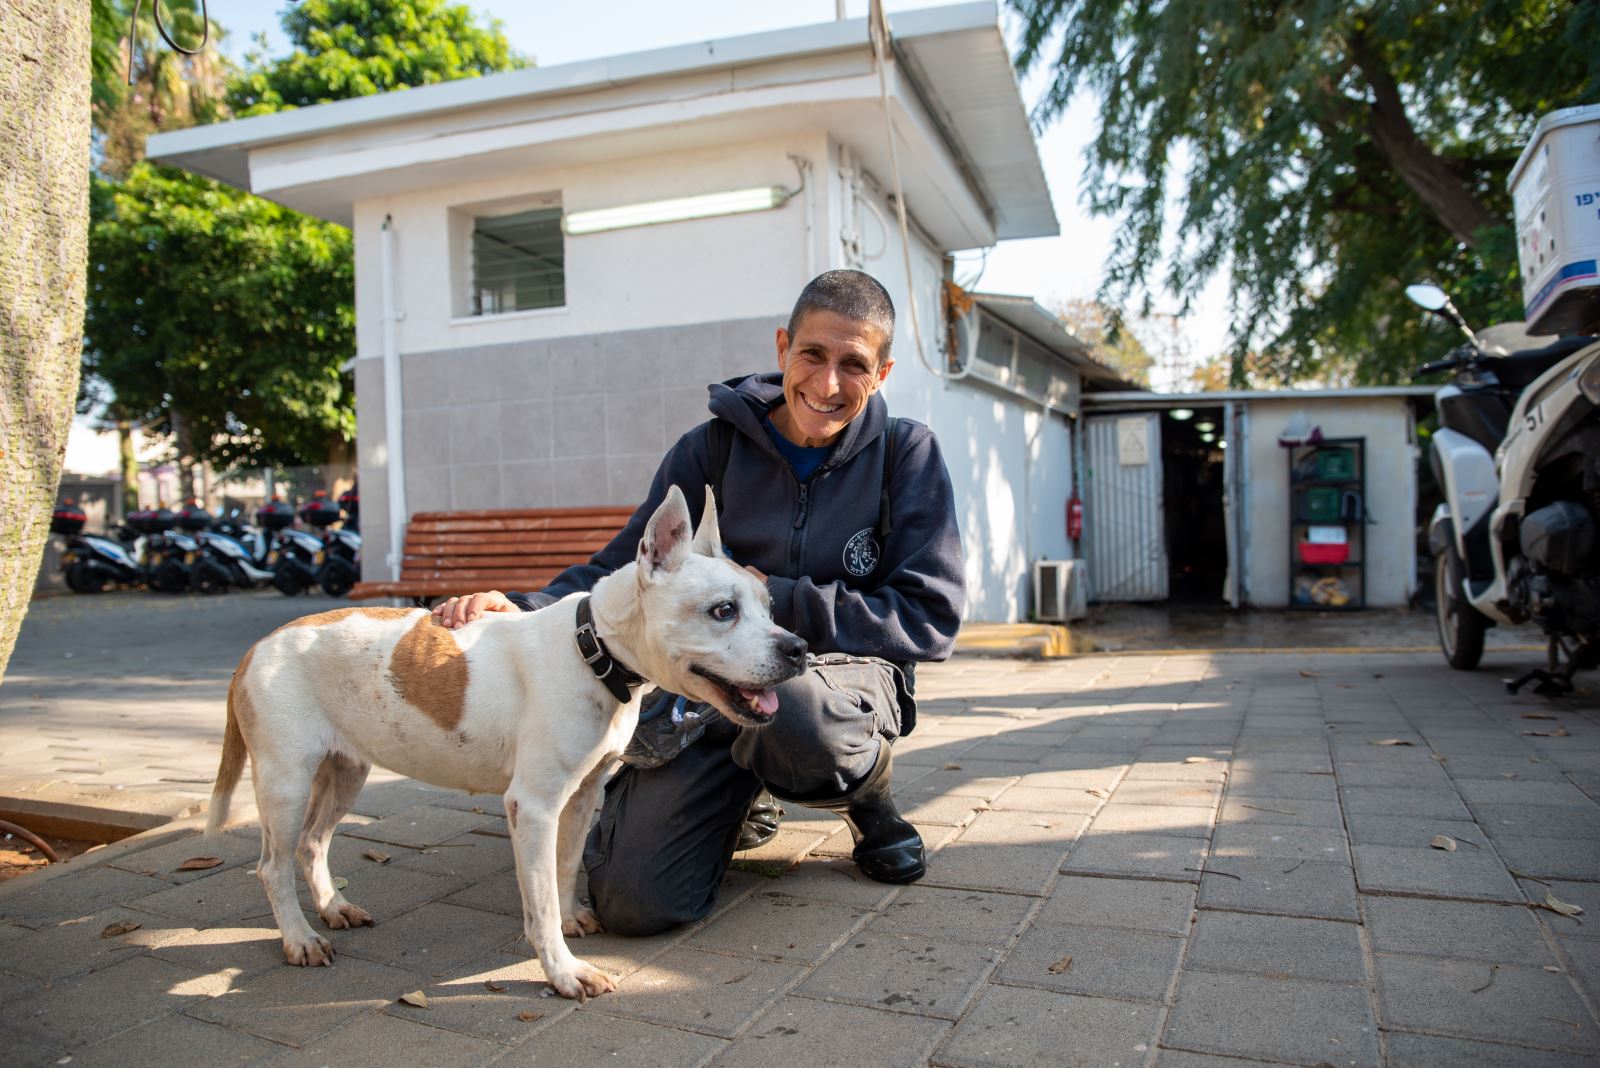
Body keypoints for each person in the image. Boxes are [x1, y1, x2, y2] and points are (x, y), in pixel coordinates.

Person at [434, 269, 965, 935]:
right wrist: (521, 605)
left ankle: (868, 800)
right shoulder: (709, 449)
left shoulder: (905, 455)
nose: (827, 384)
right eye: (812, 355)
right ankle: (737, 795)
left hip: (838, 684)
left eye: (853, 365)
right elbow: (624, 567)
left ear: (881, 373)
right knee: (634, 904)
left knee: (796, 713)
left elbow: (931, 617)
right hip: (708, 690)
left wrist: (778, 597)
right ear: (782, 348)